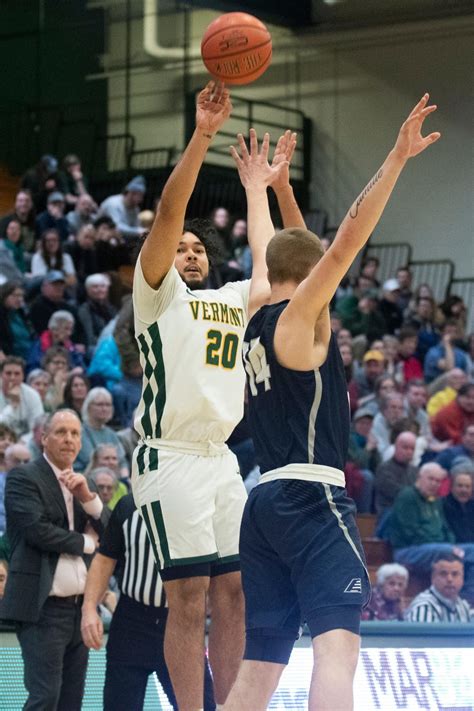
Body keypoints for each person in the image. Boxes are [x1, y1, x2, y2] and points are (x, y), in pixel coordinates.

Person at [223, 94, 440, 711]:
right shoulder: (297, 322)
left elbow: (278, 249)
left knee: (261, 663)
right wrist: (395, 159)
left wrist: (260, 189)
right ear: (316, 275)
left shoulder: (259, 315)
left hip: (262, 502)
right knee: (337, 650)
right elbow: (342, 243)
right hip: (313, 498)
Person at [131, 82, 293, 710]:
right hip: (168, 455)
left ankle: (231, 705)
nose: (190, 251)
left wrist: (258, 189)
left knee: (235, 592)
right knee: (189, 595)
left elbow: (272, 264)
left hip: (220, 458)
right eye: (183, 247)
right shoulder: (158, 296)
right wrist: (202, 135)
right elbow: (170, 212)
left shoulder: (229, 300)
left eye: (200, 248)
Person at [1, 409, 108, 710]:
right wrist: (86, 542)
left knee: (72, 701)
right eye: (61, 432)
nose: (69, 439)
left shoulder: (84, 482)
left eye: (75, 433)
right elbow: (37, 531)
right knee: (45, 697)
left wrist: (88, 498)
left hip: (80, 609)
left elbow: (111, 536)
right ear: (44, 438)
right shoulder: (23, 477)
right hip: (42, 609)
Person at [81, 493, 216, 710]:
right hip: (131, 621)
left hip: (181, 621)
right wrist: (89, 608)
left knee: (204, 706)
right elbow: (105, 558)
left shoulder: (203, 503)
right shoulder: (128, 505)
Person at [405, 553, 473, 622]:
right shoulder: (424, 607)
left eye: (455, 574)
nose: (449, 579)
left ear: (462, 579)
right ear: (433, 578)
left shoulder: (462, 605)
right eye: (443, 574)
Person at [374, 431, 418, 517]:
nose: (409, 452)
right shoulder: (384, 469)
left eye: (412, 449)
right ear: (396, 447)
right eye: (405, 448)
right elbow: (397, 494)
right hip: (390, 515)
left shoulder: (415, 471)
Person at [0, 356, 44, 436]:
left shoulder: (33, 395)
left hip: (25, 444)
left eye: (17, 374)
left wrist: (23, 442)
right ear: (1, 375)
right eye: (8, 373)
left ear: (23, 376)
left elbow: (37, 428)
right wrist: (12, 406)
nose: (12, 378)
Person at [98, 175, 146, 242]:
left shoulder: (135, 208)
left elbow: (136, 226)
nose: (141, 200)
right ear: (132, 194)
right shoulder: (113, 203)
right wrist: (139, 231)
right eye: (140, 196)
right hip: (101, 239)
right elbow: (118, 227)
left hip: (122, 240)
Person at [442, 464, 474, 543]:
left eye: (467, 486)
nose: (464, 490)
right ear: (452, 487)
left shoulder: (472, 506)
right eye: (460, 486)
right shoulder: (443, 505)